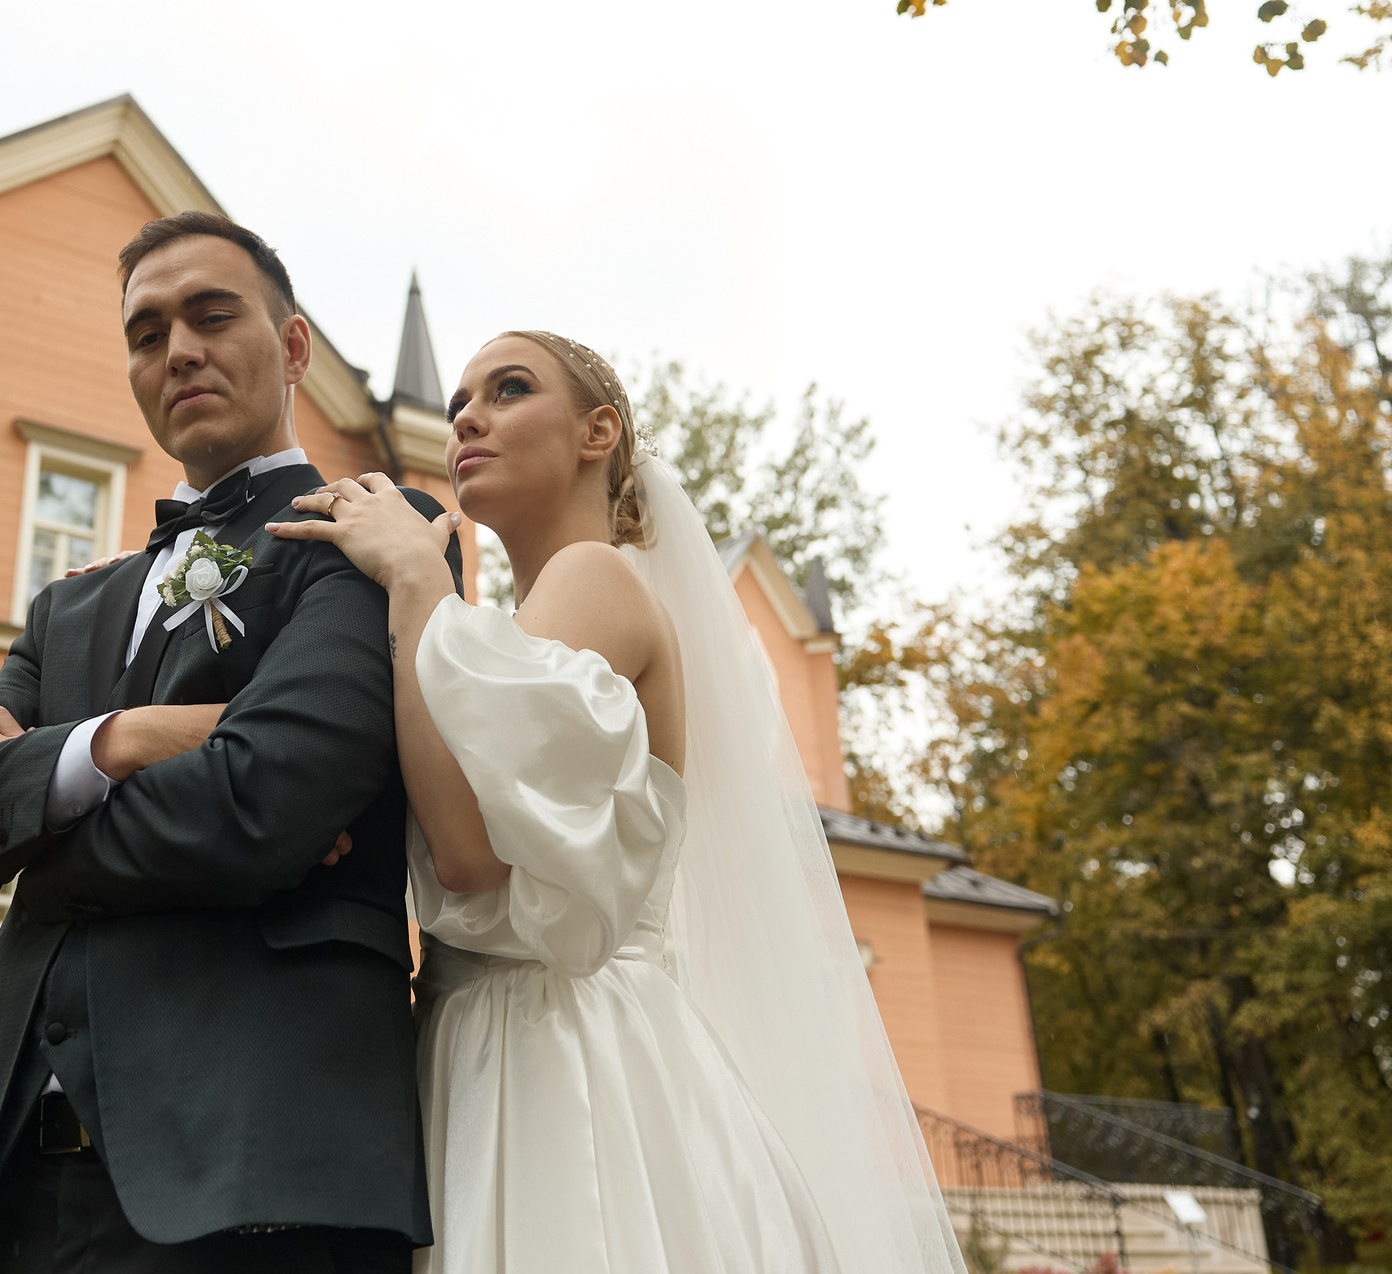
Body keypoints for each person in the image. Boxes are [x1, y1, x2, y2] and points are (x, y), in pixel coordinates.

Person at [263, 331, 967, 1274]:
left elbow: (472, 859)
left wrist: (414, 576)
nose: (468, 413)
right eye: (464, 397)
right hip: (487, 1041)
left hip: (557, 1065)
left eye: (509, 389)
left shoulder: (595, 579)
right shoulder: (503, 635)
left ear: (599, 431)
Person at [0, 211, 458, 1274]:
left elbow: (261, 808)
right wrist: (121, 740)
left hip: (254, 1184)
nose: (176, 347)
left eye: (210, 314)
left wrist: (23, 824)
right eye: (146, 333)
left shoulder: (369, 535)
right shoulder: (67, 609)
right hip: (15, 1198)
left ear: (291, 349)